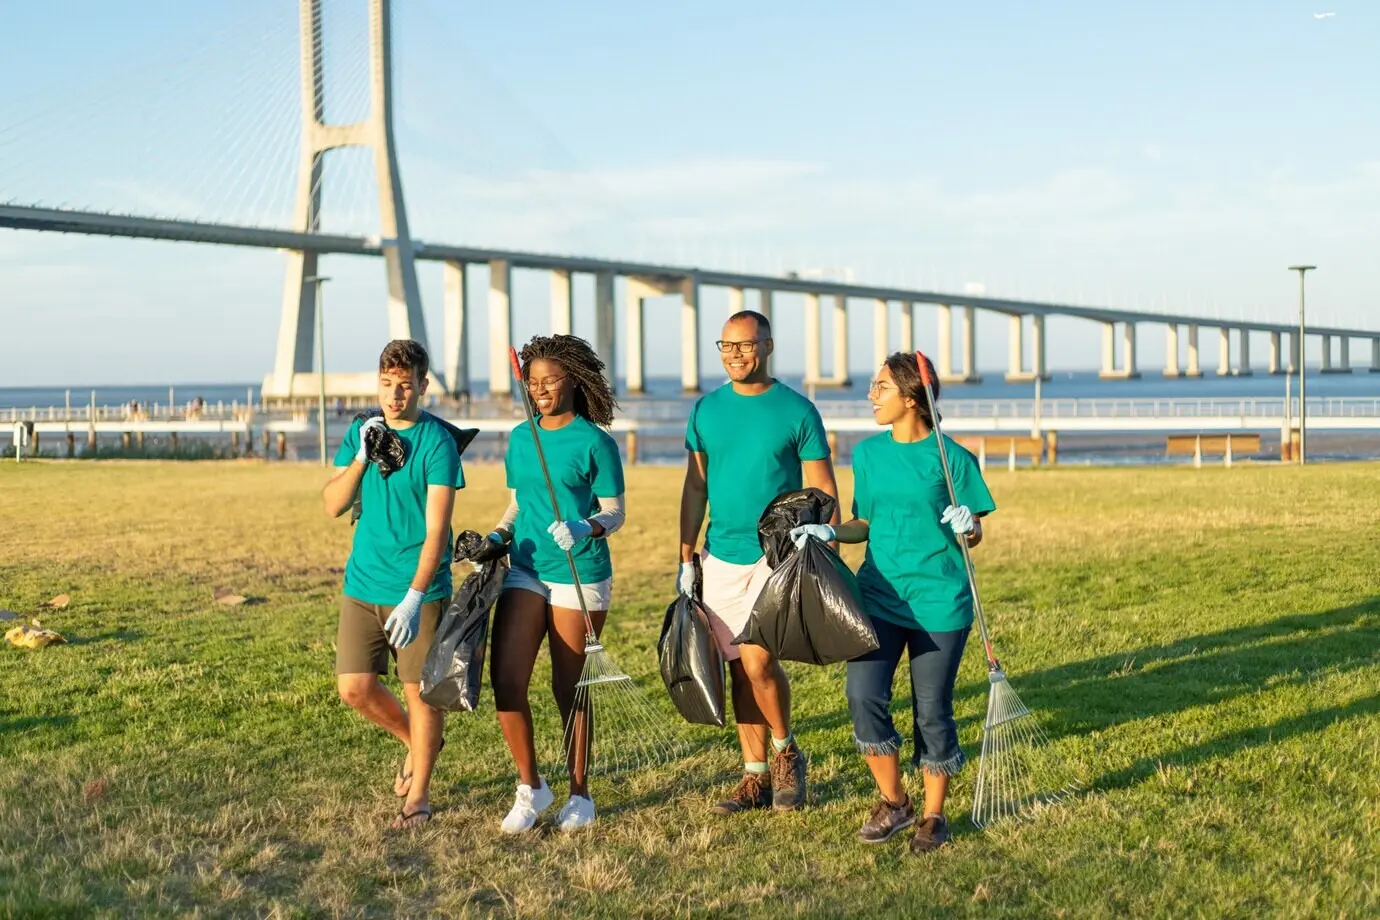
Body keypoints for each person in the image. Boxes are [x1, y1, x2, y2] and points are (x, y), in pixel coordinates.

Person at [789, 352, 995, 853]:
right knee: (863, 697)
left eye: (880, 387)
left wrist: (970, 526)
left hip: (939, 603)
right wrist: (830, 530)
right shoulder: (868, 454)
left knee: (933, 711)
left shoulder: (953, 459)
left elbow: (975, 534)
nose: (870, 396)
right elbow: (866, 523)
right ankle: (895, 801)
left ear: (910, 397)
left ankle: (933, 815)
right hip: (879, 598)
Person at [678, 309, 839, 815]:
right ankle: (755, 778)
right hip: (719, 554)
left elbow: (823, 487)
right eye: (726, 347)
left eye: (744, 346)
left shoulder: (797, 411)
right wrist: (685, 549)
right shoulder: (705, 410)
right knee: (736, 669)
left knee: (757, 659)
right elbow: (696, 483)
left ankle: (786, 750)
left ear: (767, 346)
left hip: (777, 551)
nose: (735, 356)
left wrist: (827, 548)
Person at [485, 334, 626, 834]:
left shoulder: (595, 442)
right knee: (506, 680)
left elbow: (615, 511)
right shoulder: (522, 437)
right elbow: (518, 502)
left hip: (577, 571)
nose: (541, 389)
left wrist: (586, 526)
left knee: (569, 688)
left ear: (573, 381)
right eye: (534, 381)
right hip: (526, 566)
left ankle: (580, 795)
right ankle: (532, 788)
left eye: (551, 380)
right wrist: (498, 534)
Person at [321, 339, 464, 830]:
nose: (395, 395)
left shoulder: (437, 444)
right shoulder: (363, 432)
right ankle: (418, 743)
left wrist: (415, 597)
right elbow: (331, 504)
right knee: (354, 688)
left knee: (418, 695)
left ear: (423, 386)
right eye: (386, 385)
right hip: (362, 584)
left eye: (405, 386)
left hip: (415, 590)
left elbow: (438, 530)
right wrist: (361, 456)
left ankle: (419, 797)